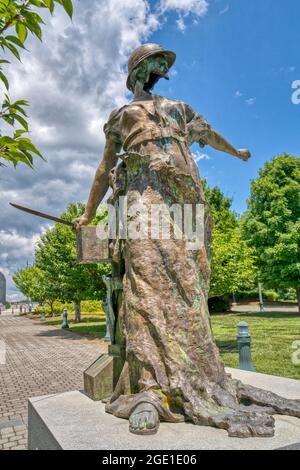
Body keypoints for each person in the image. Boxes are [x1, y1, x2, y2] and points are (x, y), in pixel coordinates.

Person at [74, 44, 300, 437]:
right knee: (143, 284)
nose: (165, 67)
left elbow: (208, 134)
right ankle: (149, 390)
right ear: (140, 70)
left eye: (165, 62)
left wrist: (236, 152)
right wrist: (90, 214)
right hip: (142, 197)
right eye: (158, 62)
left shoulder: (179, 108)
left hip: (184, 197)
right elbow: (103, 167)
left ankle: (196, 376)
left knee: (188, 287)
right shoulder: (121, 116)